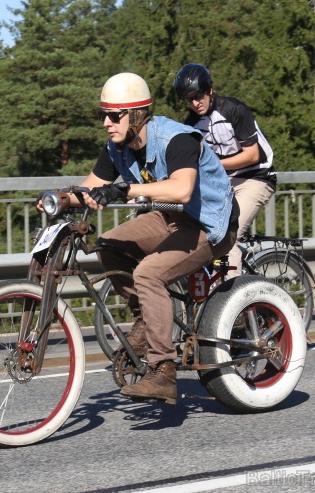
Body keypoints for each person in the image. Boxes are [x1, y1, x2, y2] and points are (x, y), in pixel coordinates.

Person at [40, 72, 238, 404]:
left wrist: (127, 188)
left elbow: (182, 188)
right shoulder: (117, 147)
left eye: (114, 115)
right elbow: (89, 188)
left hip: (210, 225)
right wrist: (59, 197)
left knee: (148, 273)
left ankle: (162, 372)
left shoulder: (177, 139)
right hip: (170, 219)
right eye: (103, 114)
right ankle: (145, 323)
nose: (106, 122)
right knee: (110, 244)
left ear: (136, 114)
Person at [173, 63, 276, 279]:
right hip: (223, 182)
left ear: (210, 90)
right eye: (189, 99)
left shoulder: (233, 110)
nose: (195, 103)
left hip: (256, 177)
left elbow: (252, 155)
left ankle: (233, 307)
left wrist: (215, 163)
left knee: (228, 237)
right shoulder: (192, 124)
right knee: (198, 234)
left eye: (199, 95)